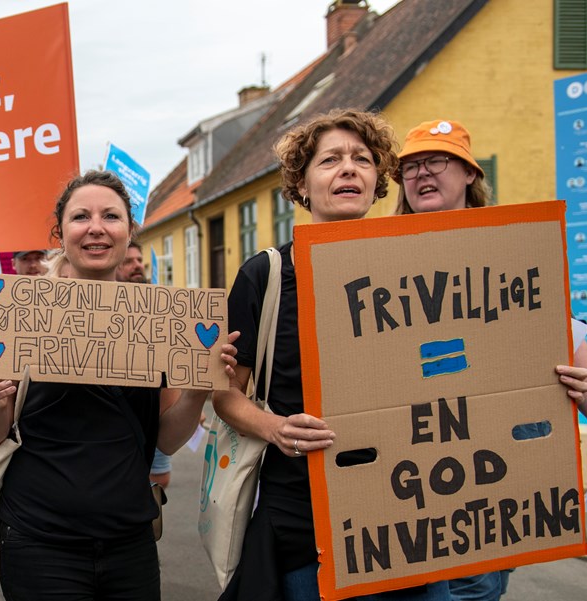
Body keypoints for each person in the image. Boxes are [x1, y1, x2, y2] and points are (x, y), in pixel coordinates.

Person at [212, 109, 453, 601]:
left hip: (411, 509)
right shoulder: (267, 276)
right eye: (330, 161)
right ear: (301, 183)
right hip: (307, 517)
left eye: (362, 159)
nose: (348, 169)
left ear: (378, 180)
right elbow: (225, 395)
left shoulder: (418, 265)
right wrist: (274, 429)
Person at [0, 170, 219, 601]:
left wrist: (198, 387)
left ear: (129, 231)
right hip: (39, 543)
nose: (96, 227)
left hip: (130, 542)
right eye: (81, 216)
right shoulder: (21, 314)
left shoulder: (158, 320)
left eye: (111, 216)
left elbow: (170, 439)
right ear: (61, 232)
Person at [394, 118, 587, 601]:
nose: (422, 174)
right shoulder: (381, 259)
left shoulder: (514, 255)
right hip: (411, 483)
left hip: (495, 485)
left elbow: (559, 339)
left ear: (470, 175)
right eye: (411, 166)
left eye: (436, 161)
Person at [116, 240, 175, 488]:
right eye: (128, 261)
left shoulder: (159, 306)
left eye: (139, 260)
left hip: (151, 407)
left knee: (158, 483)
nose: (137, 266)